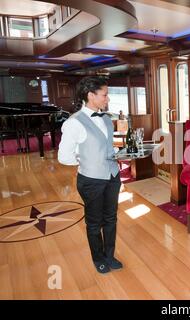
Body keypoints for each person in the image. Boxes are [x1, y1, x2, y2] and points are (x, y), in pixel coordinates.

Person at [58, 76, 123, 274]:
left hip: (112, 177)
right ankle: (98, 258)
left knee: (111, 218)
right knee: (94, 222)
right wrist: (86, 161)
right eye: (104, 95)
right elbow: (64, 157)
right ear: (91, 95)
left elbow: (107, 146)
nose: (108, 99)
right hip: (91, 181)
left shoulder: (106, 118)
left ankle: (110, 255)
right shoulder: (74, 123)